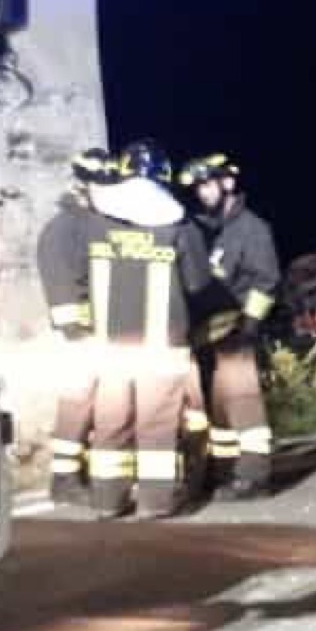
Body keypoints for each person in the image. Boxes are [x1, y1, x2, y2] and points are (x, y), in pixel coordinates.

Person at [43, 138, 231, 518]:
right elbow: (197, 284)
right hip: (161, 350)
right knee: (157, 427)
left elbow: (75, 274)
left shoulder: (96, 224)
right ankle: (155, 503)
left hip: (110, 349)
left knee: (111, 424)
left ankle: (107, 501)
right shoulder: (180, 226)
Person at [177, 153, 282, 500]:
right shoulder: (205, 230)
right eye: (198, 188)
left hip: (237, 332)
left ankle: (254, 476)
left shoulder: (251, 229)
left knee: (243, 404)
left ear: (228, 183)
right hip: (207, 334)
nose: (202, 193)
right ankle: (225, 472)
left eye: (207, 184)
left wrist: (249, 325)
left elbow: (267, 281)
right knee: (218, 409)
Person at [38, 147, 117, 507]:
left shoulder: (96, 222)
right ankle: (65, 479)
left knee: (99, 404)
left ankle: (88, 475)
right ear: (81, 184)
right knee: (77, 404)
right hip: (81, 335)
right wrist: (75, 329)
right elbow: (60, 281)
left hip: (105, 330)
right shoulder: (64, 228)